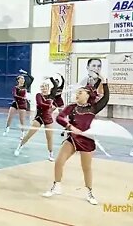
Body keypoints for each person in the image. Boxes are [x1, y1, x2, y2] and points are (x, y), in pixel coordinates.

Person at [42, 74, 109, 205]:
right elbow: (59, 118)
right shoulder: (72, 107)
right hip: (72, 139)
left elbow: (106, 98)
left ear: (88, 95)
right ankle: (57, 186)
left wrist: (105, 82)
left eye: (80, 93)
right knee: (59, 161)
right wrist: (70, 126)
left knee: (86, 168)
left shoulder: (93, 108)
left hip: (87, 141)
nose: (77, 95)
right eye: (77, 93)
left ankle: (89, 192)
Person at [14, 77, 58, 161]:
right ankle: (19, 147)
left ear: (48, 87)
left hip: (48, 119)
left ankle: (51, 153)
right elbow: (40, 104)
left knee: (49, 137)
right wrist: (49, 106)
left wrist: (51, 78)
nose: (44, 88)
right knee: (29, 134)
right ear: (41, 88)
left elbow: (55, 86)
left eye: (46, 86)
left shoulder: (51, 95)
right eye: (43, 86)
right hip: (39, 118)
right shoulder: (38, 95)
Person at [3, 72, 34, 137]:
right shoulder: (15, 87)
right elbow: (15, 95)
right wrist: (23, 97)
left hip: (22, 104)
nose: (23, 80)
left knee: (22, 119)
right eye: (21, 78)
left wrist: (26, 73)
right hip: (16, 102)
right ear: (18, 80)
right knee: (9, 116)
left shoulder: (26, 86)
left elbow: (32, 78)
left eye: (23, 78)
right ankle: (7, 128)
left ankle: (23, 133)